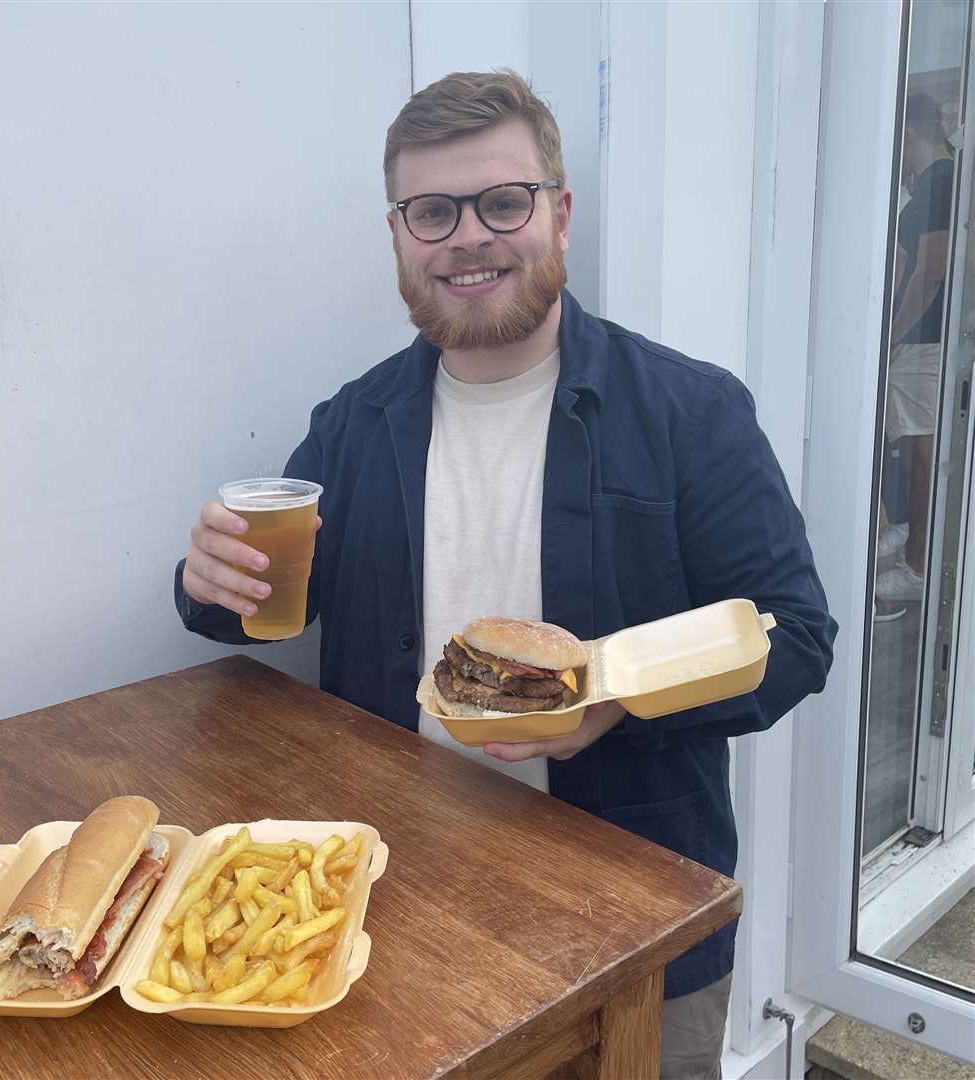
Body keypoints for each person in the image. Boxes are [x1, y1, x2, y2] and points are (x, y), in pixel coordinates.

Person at [175, 71, 837, 1080]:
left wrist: (613, 698)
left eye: (502, 201)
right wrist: (200, 579)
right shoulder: (350, 424)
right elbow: (249, 610)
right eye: (432, 211)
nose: (468, 236)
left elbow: (795, 635)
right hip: (396, 904)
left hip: (631, 923)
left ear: (559, 215)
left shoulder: (691, 414)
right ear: (399, 235)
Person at [875, 91, 956, 622]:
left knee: (920, 446)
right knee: (905, 437)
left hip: (921, 340)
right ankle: (905, 535)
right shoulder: (933, 183)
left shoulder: (940, 180)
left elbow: (929, 269)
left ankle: (918, 562)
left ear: (906, 137)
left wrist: (894, 337)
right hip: (920, 338)